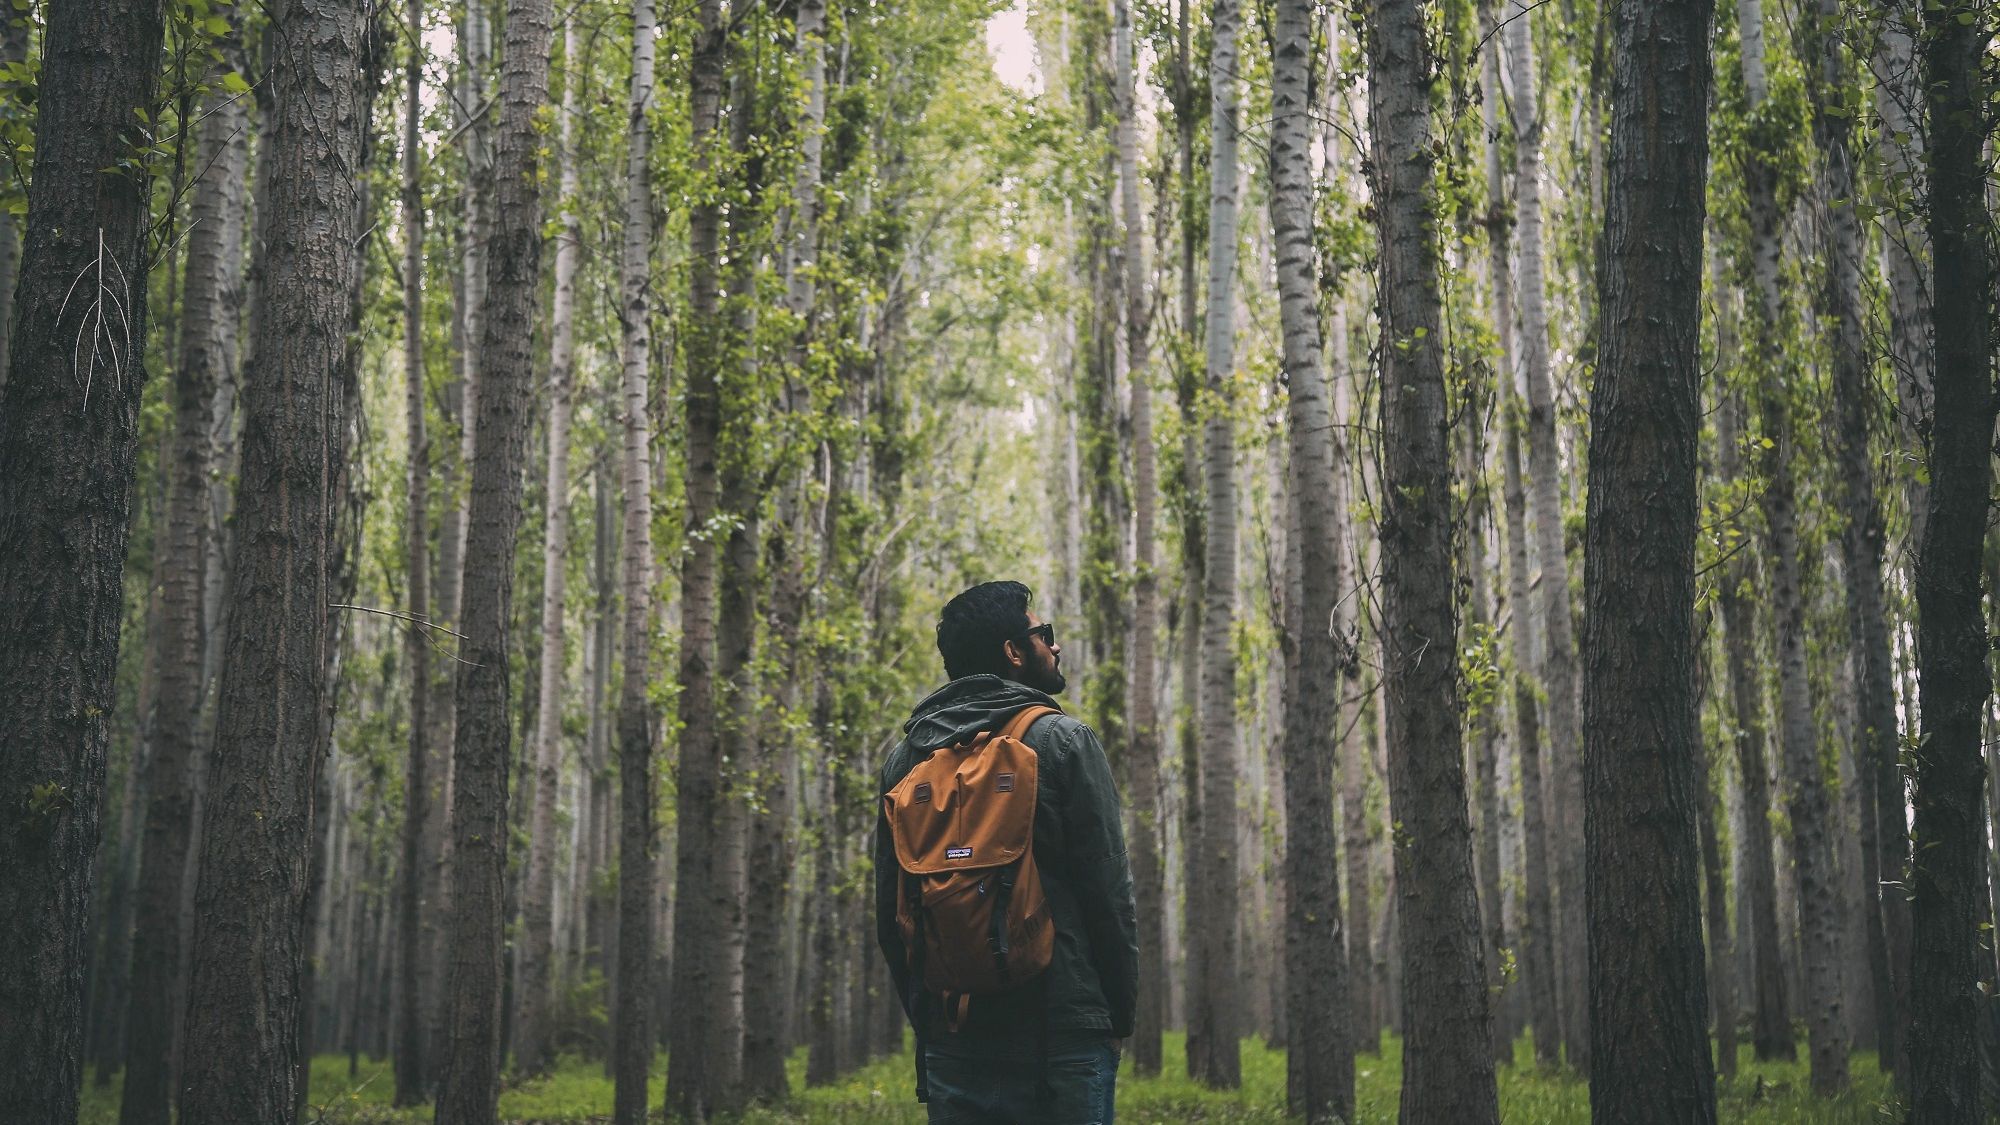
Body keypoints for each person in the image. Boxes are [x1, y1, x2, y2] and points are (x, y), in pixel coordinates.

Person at [875, 580, 1138, 1125]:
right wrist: (1114, 1016)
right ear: (1014, 653)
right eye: (1044, 634)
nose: (1055, 645)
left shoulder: (907, 761)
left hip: (957, 1031)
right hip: (1063, 1032)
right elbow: (1108, 893)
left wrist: (930, 1024)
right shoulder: (1063, 741)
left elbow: (891, 914)